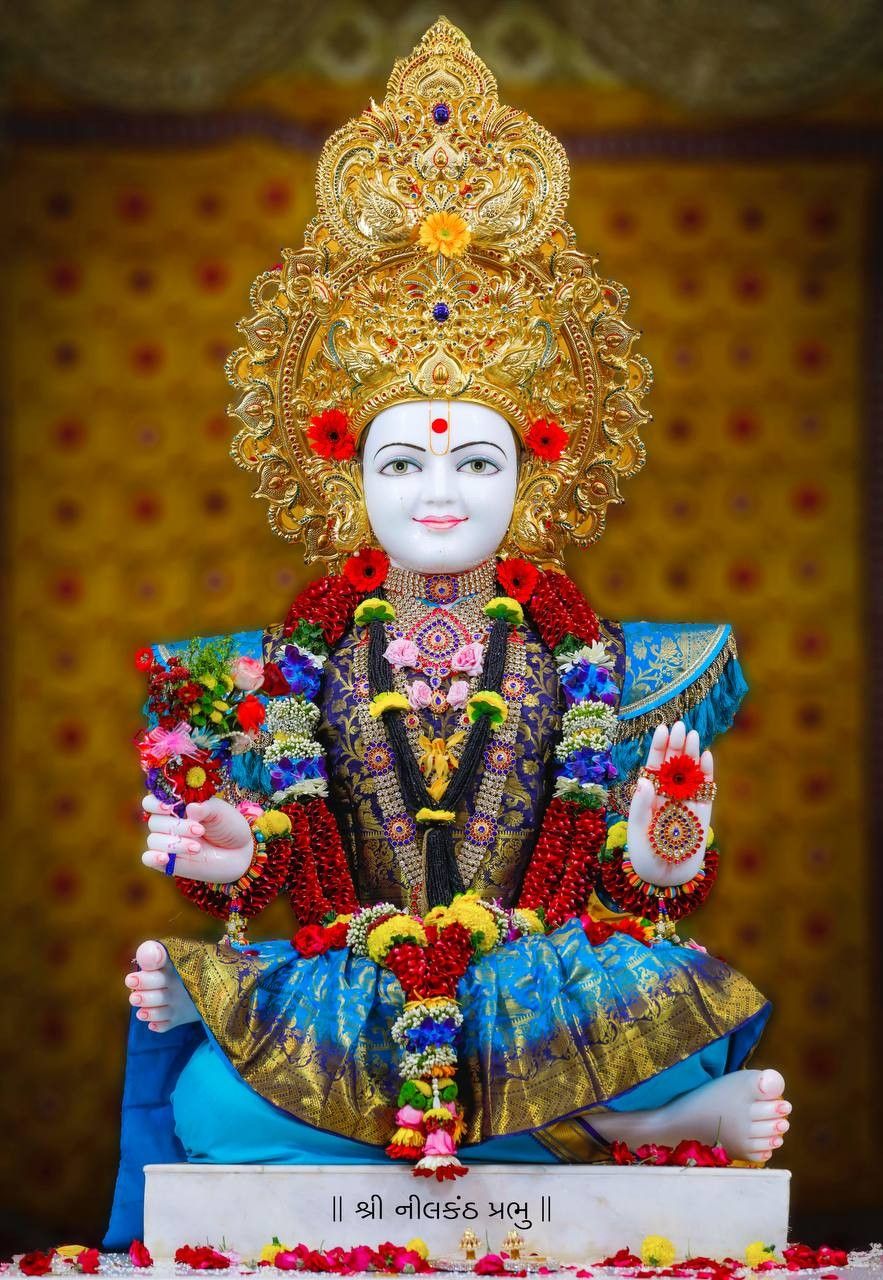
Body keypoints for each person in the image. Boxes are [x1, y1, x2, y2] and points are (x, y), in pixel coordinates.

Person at [105, 19, 789, 1248]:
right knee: (210, 1103)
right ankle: (629, 1124)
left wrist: (661, 849)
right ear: (344, 480)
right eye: (402, 461)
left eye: (475, 461)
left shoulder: (608, 663)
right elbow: (272, 864)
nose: (437, 491)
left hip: (538, 978)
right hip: (356, 983)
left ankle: (628, 1104)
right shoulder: (278, 670)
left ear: (528, 479)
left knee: (673, 993)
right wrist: (230, 854)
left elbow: (630, 882)